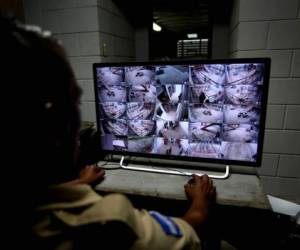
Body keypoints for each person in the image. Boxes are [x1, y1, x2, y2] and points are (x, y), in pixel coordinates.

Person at [1, 14, 216, 250]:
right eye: (73, 100)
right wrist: (199, 203)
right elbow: (186, 231)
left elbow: (35, 200)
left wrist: (79, 184)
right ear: (56, 122)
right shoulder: (107, 222)